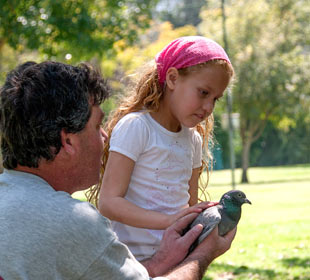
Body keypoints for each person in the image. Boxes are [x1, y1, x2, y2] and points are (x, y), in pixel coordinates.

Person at [0, 61, 236, 280]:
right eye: (97, 126)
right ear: (68, 142)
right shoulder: (71, 222)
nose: (105, 136)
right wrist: (202, 254)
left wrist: (161, 260)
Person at [88, 36, 234, 261]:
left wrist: (205, 220)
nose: (208, 107)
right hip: (129, 263)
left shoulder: (193, 140)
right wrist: (170, 221)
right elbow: (109, 202)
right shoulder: (137, 127)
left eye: (215, 99)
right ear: (173, 78)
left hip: (174, 260)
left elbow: (189, 207)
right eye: (203, 93)